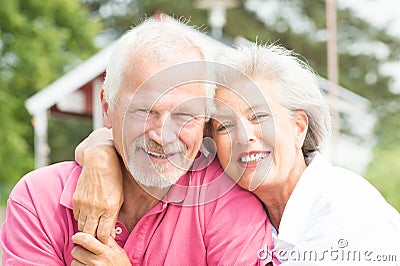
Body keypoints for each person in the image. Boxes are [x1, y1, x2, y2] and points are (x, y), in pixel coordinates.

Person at [72, 42, 400, 265]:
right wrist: (101, 152)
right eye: (225, 126)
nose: (244, 137)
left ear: (299, 126)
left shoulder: (348, 217)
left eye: (259, 117)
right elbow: (147, 140)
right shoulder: (242, 202)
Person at [0, 18, 275, 265]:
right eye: (145, 111)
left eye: (184, 115)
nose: (163, 136)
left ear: (204, 123)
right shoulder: (38, 200)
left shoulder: (229, 203)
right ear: (107, 108)